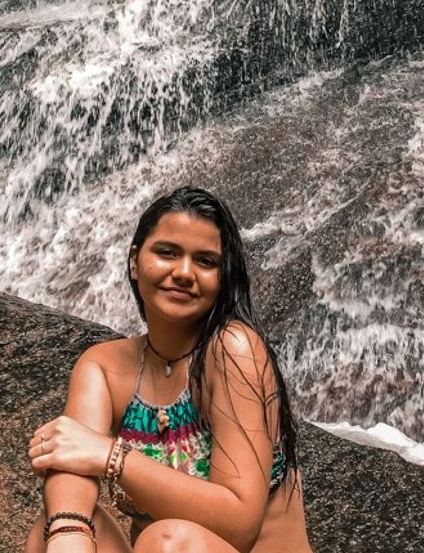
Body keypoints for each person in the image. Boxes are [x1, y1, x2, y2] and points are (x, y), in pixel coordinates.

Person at [25, 186, 313, 552]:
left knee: (170, 541)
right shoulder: (103, 366)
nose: (184, 272)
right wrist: (69, 531)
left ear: (223, 277)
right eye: (167, 253)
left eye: (206, 262)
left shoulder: (233, 349)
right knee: (58, 527)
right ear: (134, 260)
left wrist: (112, 456)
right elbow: (70, 464)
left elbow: (239, 525)